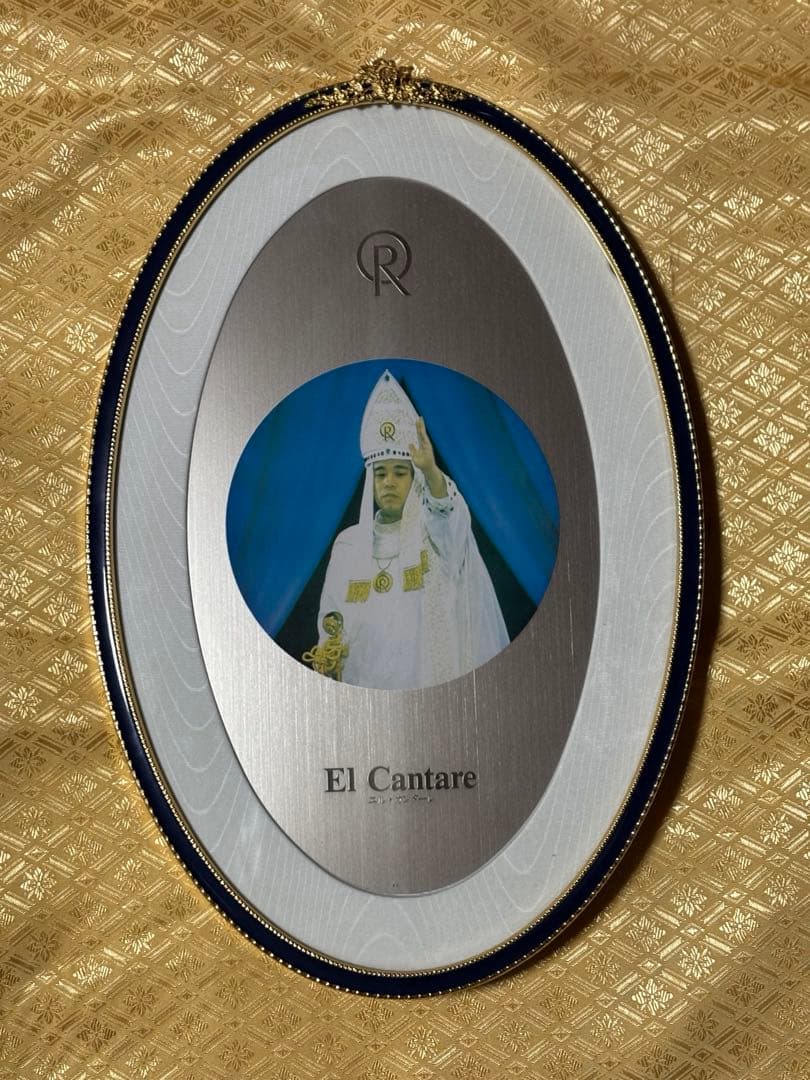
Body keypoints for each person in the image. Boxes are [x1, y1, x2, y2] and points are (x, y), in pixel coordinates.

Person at [303, 370, 508, 690]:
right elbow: (332, 616)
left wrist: (431, 470)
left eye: (400, 473)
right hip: (364, 685)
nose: (389, 482)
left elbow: (450, 516)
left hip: (425, 684)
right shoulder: (349, 544)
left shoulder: (434, 536)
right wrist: (330, 648)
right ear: (370, 481)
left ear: (414, 478)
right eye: (381, 474)